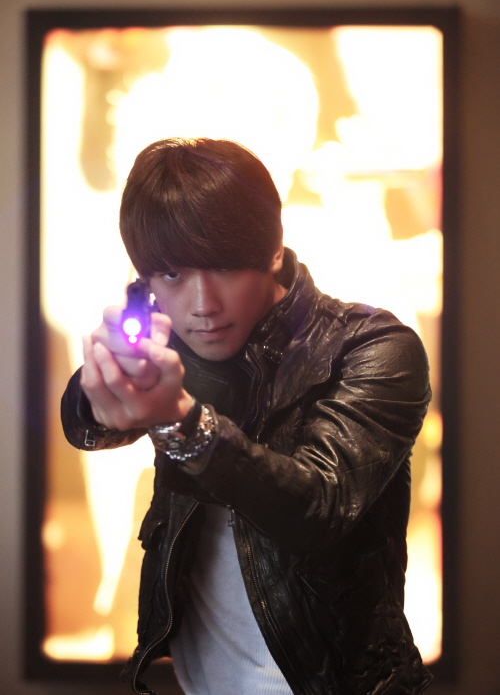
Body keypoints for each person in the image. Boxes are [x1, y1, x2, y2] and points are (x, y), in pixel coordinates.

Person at [61, 137, 433, 695]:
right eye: (172, 275)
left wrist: (183, 424)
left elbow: (318, 507)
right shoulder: (168, 336)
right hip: (198, 681)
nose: (202, 305)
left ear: (274, 250)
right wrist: (101, 388)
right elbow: (83, 426)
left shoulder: (372, 347)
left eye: (225, 267)